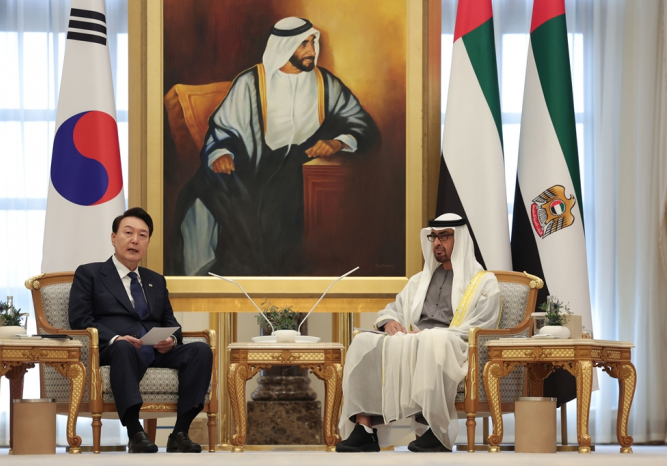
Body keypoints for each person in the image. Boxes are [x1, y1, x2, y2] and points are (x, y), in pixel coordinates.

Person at [171, 16, 380, 276]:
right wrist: (221, 152)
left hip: (295, 166)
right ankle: (217, 273)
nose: (311, 51)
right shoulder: (250, 82)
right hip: (249, 163)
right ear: (284, 47)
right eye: (303, 44)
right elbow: (222, 128)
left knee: (278, 205)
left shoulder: (325, 84)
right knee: (203, 190)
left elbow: (362, 124)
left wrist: (337, 143)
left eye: (313, 42)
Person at [336, 213, 501, 453]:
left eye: (444, 236)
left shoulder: (484, 282)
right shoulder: (419, 281)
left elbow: (484, 323)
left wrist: (429, 334)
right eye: (434, 237)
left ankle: (437, 430)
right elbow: (393, 309)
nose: (437, 243)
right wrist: (390, 321)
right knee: (362, 342)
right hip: (414, 340)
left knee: (435, 339)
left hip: (453, 343)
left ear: (462, 240)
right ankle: (365, 430)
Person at [69, 207, 213, 454]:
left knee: (200, 350)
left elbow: (171, 322)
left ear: (147, 242)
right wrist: (115, 338)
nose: (135, 240)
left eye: (142, 235)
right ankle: (135, 431)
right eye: (128, 233)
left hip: (155, 350)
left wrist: (170, 339)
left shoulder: (155, 280)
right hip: (114, 349)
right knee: (123, 347)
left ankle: (179, 432)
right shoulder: (91, 273)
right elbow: (80, 319)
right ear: (114, 237)